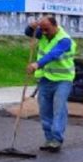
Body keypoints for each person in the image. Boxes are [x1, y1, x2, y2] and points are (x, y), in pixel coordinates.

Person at [25, 15, 76, 153]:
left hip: (63, 79)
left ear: (55, 26)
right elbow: (29, 33)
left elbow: (53, 54)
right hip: (46, 78)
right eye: (42, 29)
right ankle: (49, 138)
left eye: (47, 29)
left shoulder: (64, 40)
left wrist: (37, 64)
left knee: (59, 107)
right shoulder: (42, 33)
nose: (44, 32)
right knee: (44, 109)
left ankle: (57, 139)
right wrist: (31, 27)